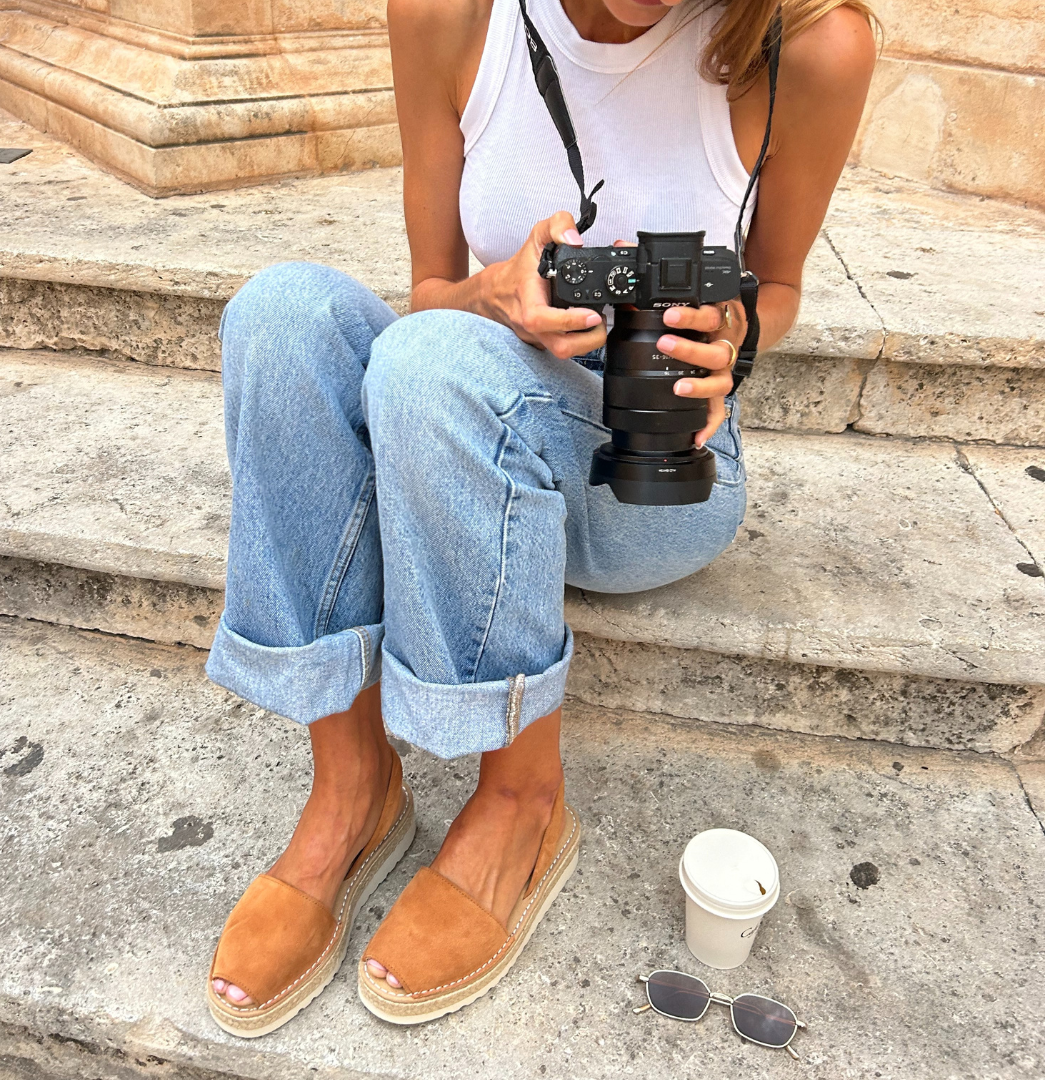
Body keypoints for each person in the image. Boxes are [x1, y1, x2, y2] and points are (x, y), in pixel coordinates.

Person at [204, 0, 877, 1032]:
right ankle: (353, 787)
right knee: (282, 314)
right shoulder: (445, 14)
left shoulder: (806, 45)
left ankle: (522, 802)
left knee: (438, 364)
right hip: (468, 407)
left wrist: (733, 330)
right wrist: (494, 296)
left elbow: (777, 283)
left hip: (650, 473)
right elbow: (430, 291)